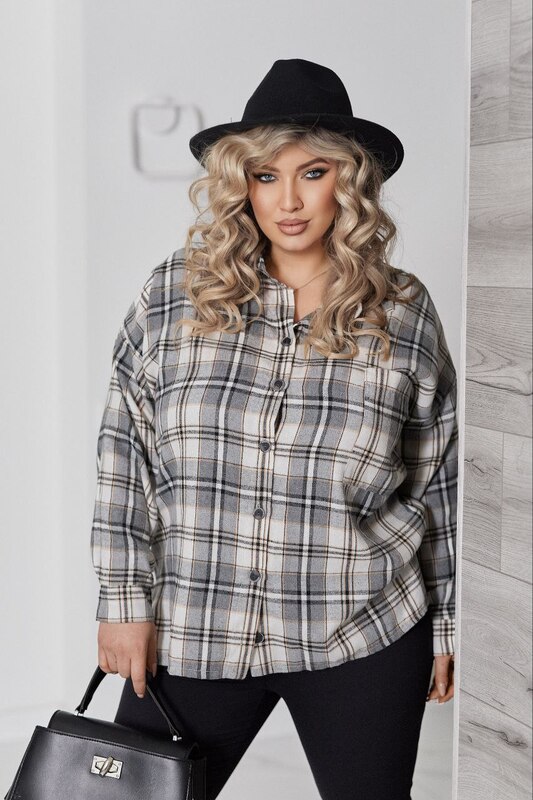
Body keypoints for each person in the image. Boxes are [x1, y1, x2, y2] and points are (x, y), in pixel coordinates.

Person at [91, 59, 458, 800]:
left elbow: (437, 480)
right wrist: (123, 602)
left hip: (361, 628)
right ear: (242, 185)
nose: (288, 200)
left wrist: (447, 627)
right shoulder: (176, 293)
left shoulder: (402, 311)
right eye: (266, 176)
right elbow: (123, 452)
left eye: (312, 173)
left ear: (350, 181)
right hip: (198, 628)